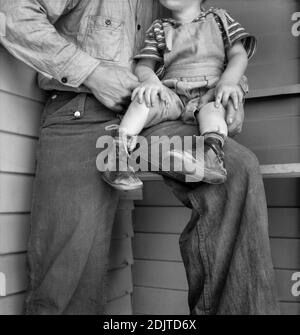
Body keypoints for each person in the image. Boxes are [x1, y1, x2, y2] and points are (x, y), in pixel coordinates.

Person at [0, 0, 280, 315]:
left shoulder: (174, 7)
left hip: (158, 119)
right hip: (82, 110)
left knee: (236, 170)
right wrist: (93, 73)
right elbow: (11, 14)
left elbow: (210, 55)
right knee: (68, 267)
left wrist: (228, 93)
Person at [103, 0, 255, 191]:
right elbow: (144, 65)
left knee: (214, 108)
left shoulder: (219, 20)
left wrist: (229, 82)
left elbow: (238, 55)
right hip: (172, 92)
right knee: (143, 99)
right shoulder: (159, 27)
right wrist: (150, 81)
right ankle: (117, 157)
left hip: (209, 90)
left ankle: (210, 156)